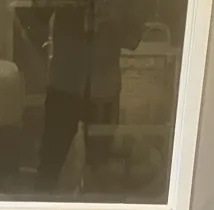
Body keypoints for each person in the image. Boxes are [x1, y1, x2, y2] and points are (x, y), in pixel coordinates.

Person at [34, 0, 146, 193]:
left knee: (100, 171)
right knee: (48, 169)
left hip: (102, 91)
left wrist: (111, 14)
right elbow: (35, 15)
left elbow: (133, 39)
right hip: (64, 85)